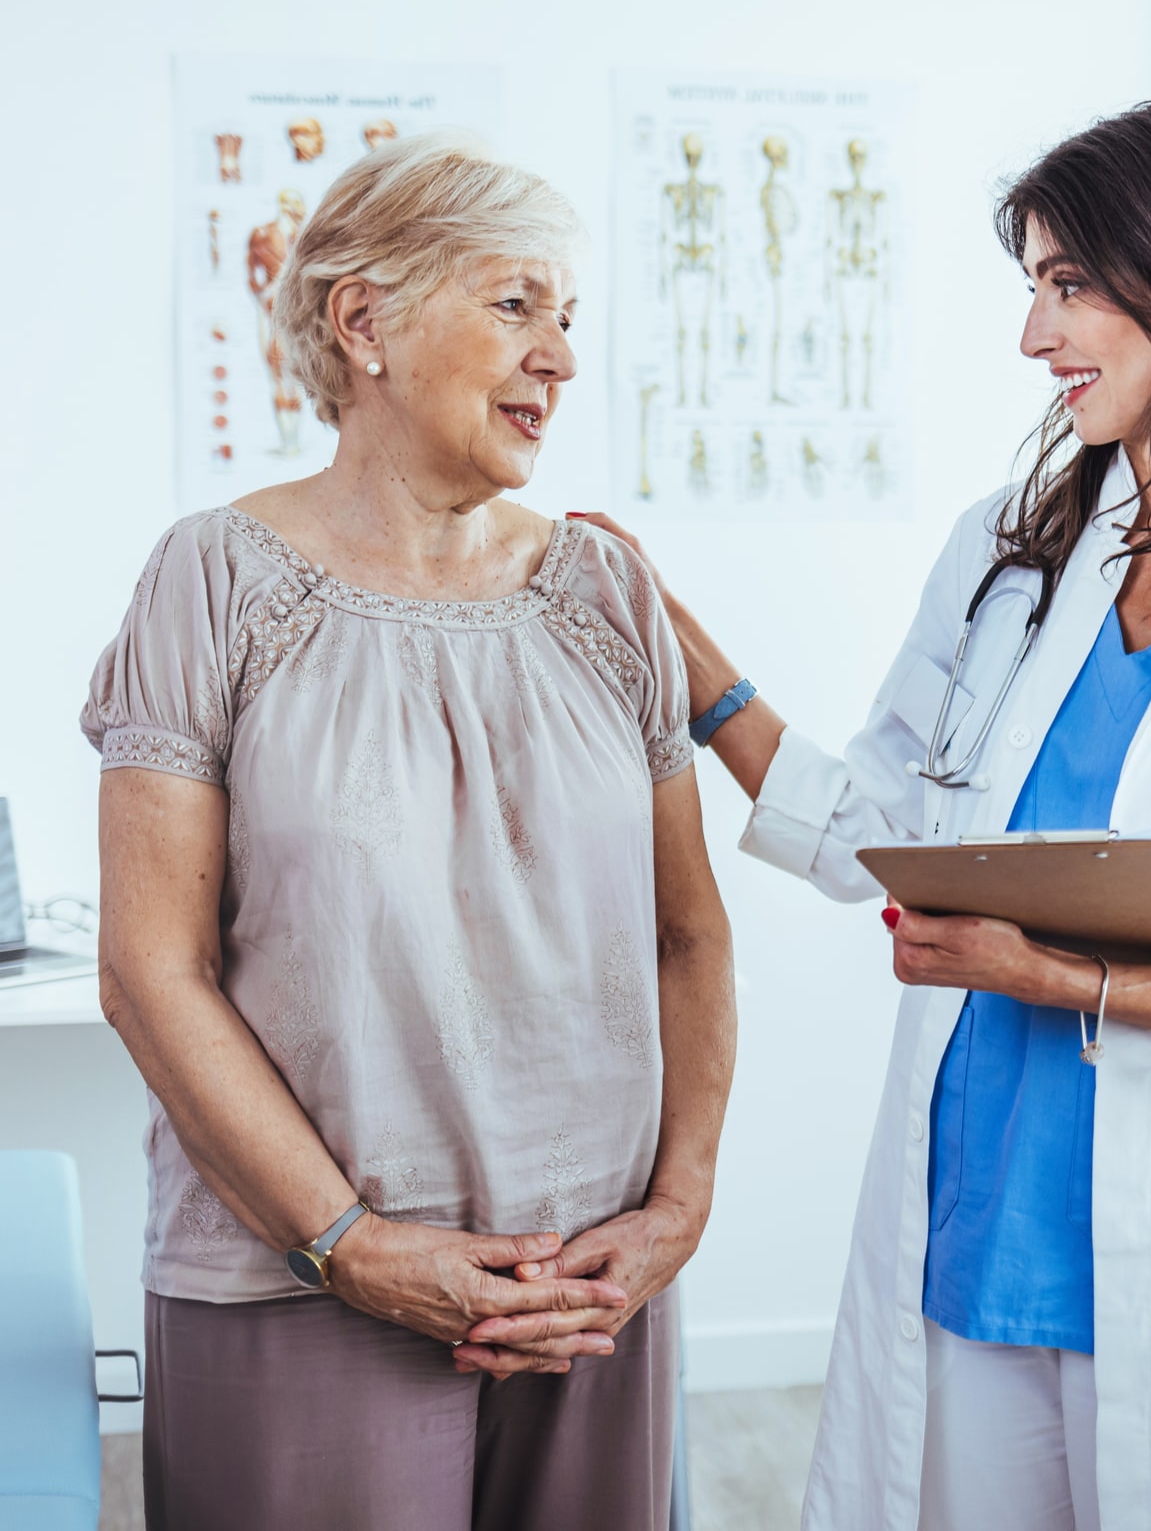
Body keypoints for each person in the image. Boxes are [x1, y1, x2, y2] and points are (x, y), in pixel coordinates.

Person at [584, 99, 1151, 1531]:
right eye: (1033, 289)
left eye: (1068, 287)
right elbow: (871, 816)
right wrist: (684, 650)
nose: (1034, 336)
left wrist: (1059, 980)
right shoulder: (1013, 553)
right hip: (981, 1205)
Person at [83, 131, 735, 1531]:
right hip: (297, 1286)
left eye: (569, 319)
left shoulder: (609, 593)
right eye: (516, 305)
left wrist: (675, 1212)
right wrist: (351, 1245)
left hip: (589, 1296)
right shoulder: (213, 581)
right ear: (362, 321)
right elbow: (151, 973)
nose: (559, 356)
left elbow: (690, 933)